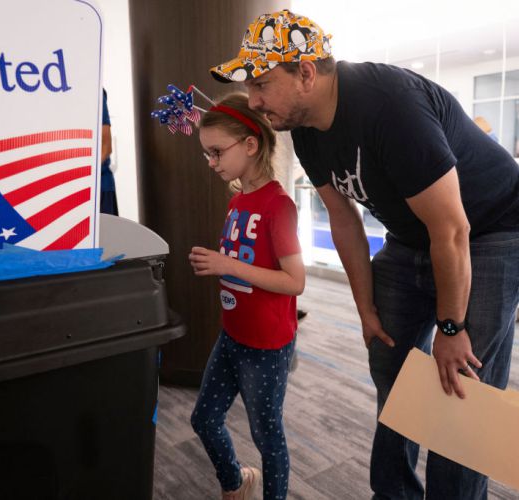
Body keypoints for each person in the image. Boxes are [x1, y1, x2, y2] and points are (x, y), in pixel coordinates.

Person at [209, 9, 519, 500]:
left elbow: (453, 228)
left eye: (263, 83)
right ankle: (393, 494)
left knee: (463, 386)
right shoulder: (305, 127)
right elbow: (344, 219)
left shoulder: (388, 106)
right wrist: (366, 308)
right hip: (413, 235)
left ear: (306, 73)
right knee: (390, 360)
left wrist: (451, 326)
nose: (254, 100)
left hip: (491, 228)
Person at [189, 92, 304, 500]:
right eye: (208, 153)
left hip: (267, 346)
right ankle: (236, 484)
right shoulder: (238, 201)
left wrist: (228, 266)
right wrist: (226, 263)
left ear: (250, 145)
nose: (212, 162)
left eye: (217, 151)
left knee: (267, 436)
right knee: (204, 419)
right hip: (232, 335)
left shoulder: (279, 206)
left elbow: (295, 282)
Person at [100, 88, 118, 215]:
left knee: (106, 234)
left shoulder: (94, 91)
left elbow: (106, 147)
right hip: (69, 190)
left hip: (100, 187)